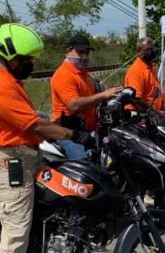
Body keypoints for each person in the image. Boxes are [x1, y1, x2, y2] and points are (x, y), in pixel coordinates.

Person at [0, 23, 94, 253]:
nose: (30, 64)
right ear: (9, 56)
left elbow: (33, 120)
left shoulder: (9, 80)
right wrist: (75, 134)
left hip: (24, 156)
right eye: (25, 59)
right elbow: (34, 126)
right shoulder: (1, 86)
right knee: (16, 232)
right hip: (10, 163)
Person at [50, 31, 121, 159]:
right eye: (80, 52)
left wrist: (112, 92)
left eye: (87, 53)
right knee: (84, 164)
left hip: (87, 130)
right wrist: (104, 95)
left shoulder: (84, 74)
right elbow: (74, 105)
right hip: (68, 132)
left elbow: (94, 96)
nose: (84, 56)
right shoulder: (63, 75)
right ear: (68, 51)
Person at [125, 37, 165, 110]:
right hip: (141, 115)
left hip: (153, 114)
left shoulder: (151, 67)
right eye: (148, 50)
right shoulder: (136, 70)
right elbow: (137, 99)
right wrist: (157, 113)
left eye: (152, 48)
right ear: (140, 52)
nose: (152, 51)